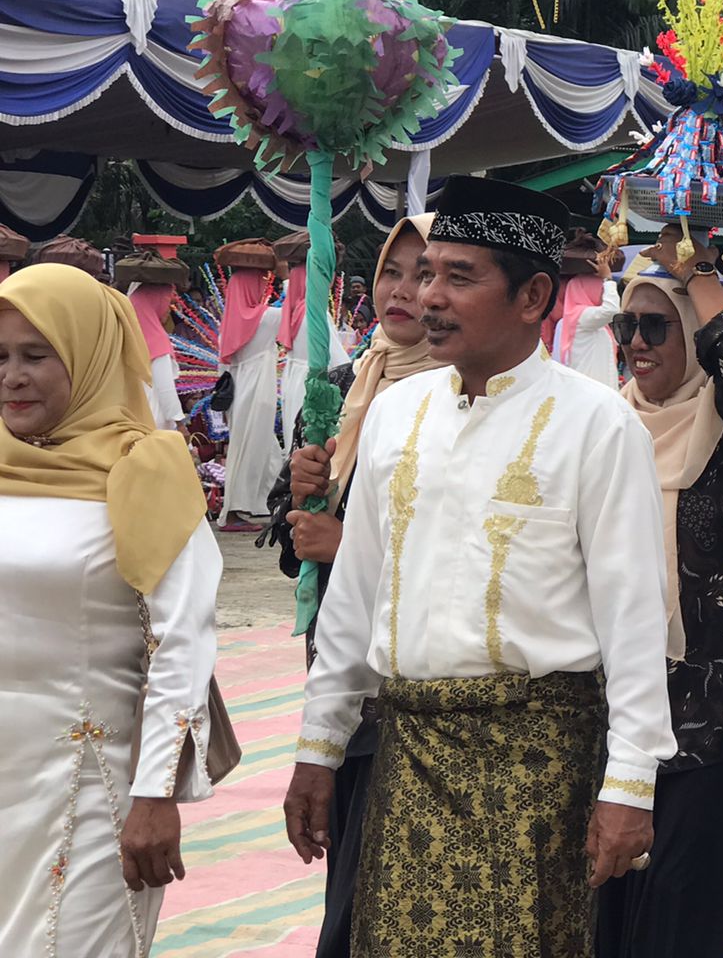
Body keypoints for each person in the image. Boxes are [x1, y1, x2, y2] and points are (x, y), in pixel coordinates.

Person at [283, 176, 676, 956]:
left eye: (459, 277)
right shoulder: (397, 414)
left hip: (537, 762)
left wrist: (629, 784)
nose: (429, 296)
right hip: (408, 754)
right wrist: (316, 750)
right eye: (426, 272)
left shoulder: (598, 426)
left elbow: (635, 621)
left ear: (533, 295)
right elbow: (354, 601)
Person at [0, 264, 222, 956]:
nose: (12, 376)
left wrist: (155, 794)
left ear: (90, 354)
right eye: (0, 357)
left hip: (92, 783)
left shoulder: (145, 467)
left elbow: (180, 639)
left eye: (36, 355)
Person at [598, 227, 723, 958]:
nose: (636, 343)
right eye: (626, 326)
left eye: (656, 325)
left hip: (712, 708)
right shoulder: (605, 425)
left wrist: (698, 268)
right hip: (611, 705)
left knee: (682, 908)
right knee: (606, 901)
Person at [262, 214, 442, 958]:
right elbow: (289, 547)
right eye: (392, 273)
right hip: (337, 677)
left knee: (388, 890)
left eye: (426, 274)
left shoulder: (459, 395)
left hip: (410, 688)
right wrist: (300, 495)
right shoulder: (341, 384)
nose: (402, 291)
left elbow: (467, 549)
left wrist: (349, 542)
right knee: (350, 876)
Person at [217, 260, 284, 530]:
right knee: (252, 451)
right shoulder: (267, 318)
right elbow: (296, 307)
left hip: (237, 392)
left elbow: (221, 365)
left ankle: (262, 503)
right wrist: (288, 274)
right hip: (257, 392)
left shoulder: (229, 324)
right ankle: (234, 511)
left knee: (262, 450)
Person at [277, 237, 351, 446]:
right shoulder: (316, 314)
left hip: (293, 381)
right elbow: (341, 365)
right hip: (312, 388)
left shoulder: (293, 306)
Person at [553, 246, 622, 385]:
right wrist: (608, 280)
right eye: (600, 289)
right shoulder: (581, 316)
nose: (603, 294)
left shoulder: (583, 319)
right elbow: (611, 310)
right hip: (589, 393)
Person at [128, 281, 186, 431]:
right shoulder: (156, 339)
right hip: (154, 420)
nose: (169, 310)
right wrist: (179, 423)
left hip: (128, 417)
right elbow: (165, 388)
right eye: (167, 303)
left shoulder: (125, 334)